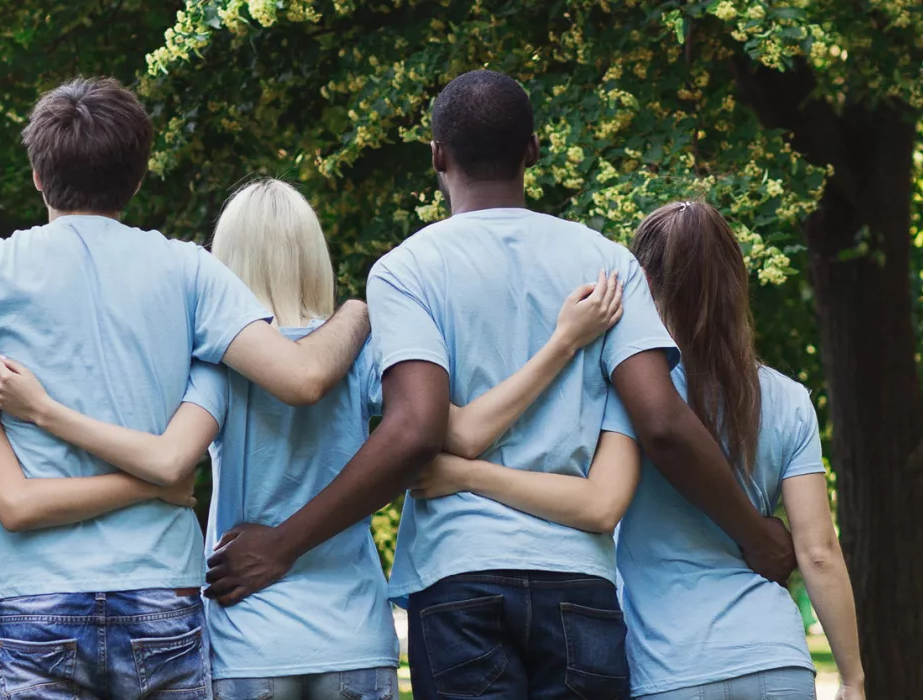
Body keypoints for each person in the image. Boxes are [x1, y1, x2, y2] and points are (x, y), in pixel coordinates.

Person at [0, 78, 369, 698]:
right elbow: (303, 379)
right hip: (160, 587)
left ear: (37, 175)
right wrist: (356, 311)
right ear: (137, 177)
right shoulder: (191, 270)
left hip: (38, 597)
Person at [202, 70, 796, 700]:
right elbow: (663, 422)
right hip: (577, 580)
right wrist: (757, 535)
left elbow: (416, 429)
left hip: (459, 579)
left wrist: (284, 544)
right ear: (533, 149)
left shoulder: (406, 271)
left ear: (438, 155)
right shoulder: (607, 265)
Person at [0, 178, 627, 700]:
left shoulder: (214, 362)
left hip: (246, 634)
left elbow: (163, 459)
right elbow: (453, 432)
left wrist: (45, 410)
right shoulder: (367, 352)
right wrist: (560, 345)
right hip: (352, 634)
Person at [421, 201, 865, 700]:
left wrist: (467, 475)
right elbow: (819, 553)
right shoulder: (789, 400)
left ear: (642, 285)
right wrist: (852, 677)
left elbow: (593, 502)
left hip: (670, 665)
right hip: (774, 657)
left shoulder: (627, 391)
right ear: (735, 284)